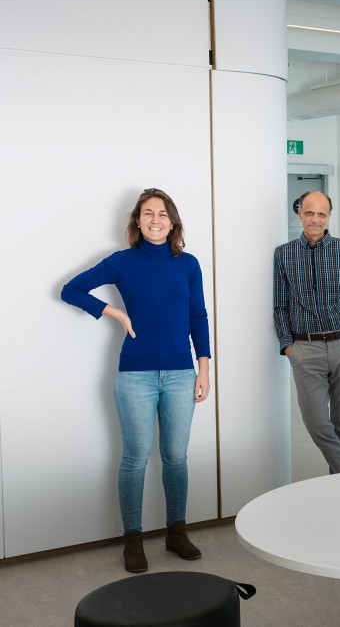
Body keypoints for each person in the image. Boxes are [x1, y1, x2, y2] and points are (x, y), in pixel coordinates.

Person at [61, 188, 211, 573]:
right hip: (135, 376)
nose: (155, 220)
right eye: (148, 213)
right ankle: (133, 540)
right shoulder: (123, 262)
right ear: (138, 220)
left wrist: (204, 369)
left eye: (162, 214)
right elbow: (71, 289)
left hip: (181, 374)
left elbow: (198, 316)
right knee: (135, 459)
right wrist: (113, 312)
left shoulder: (188, 263)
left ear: (172, 221)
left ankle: (176, 533)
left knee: (176, 457)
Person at [273, 190, 340, 475]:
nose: (315, 219)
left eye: (322, 214)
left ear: (329, 216)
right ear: (300, 213)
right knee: (317, 424)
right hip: (306, 349)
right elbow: (280, 306)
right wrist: (288, 346)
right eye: (309, 212)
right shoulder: (284, 254)